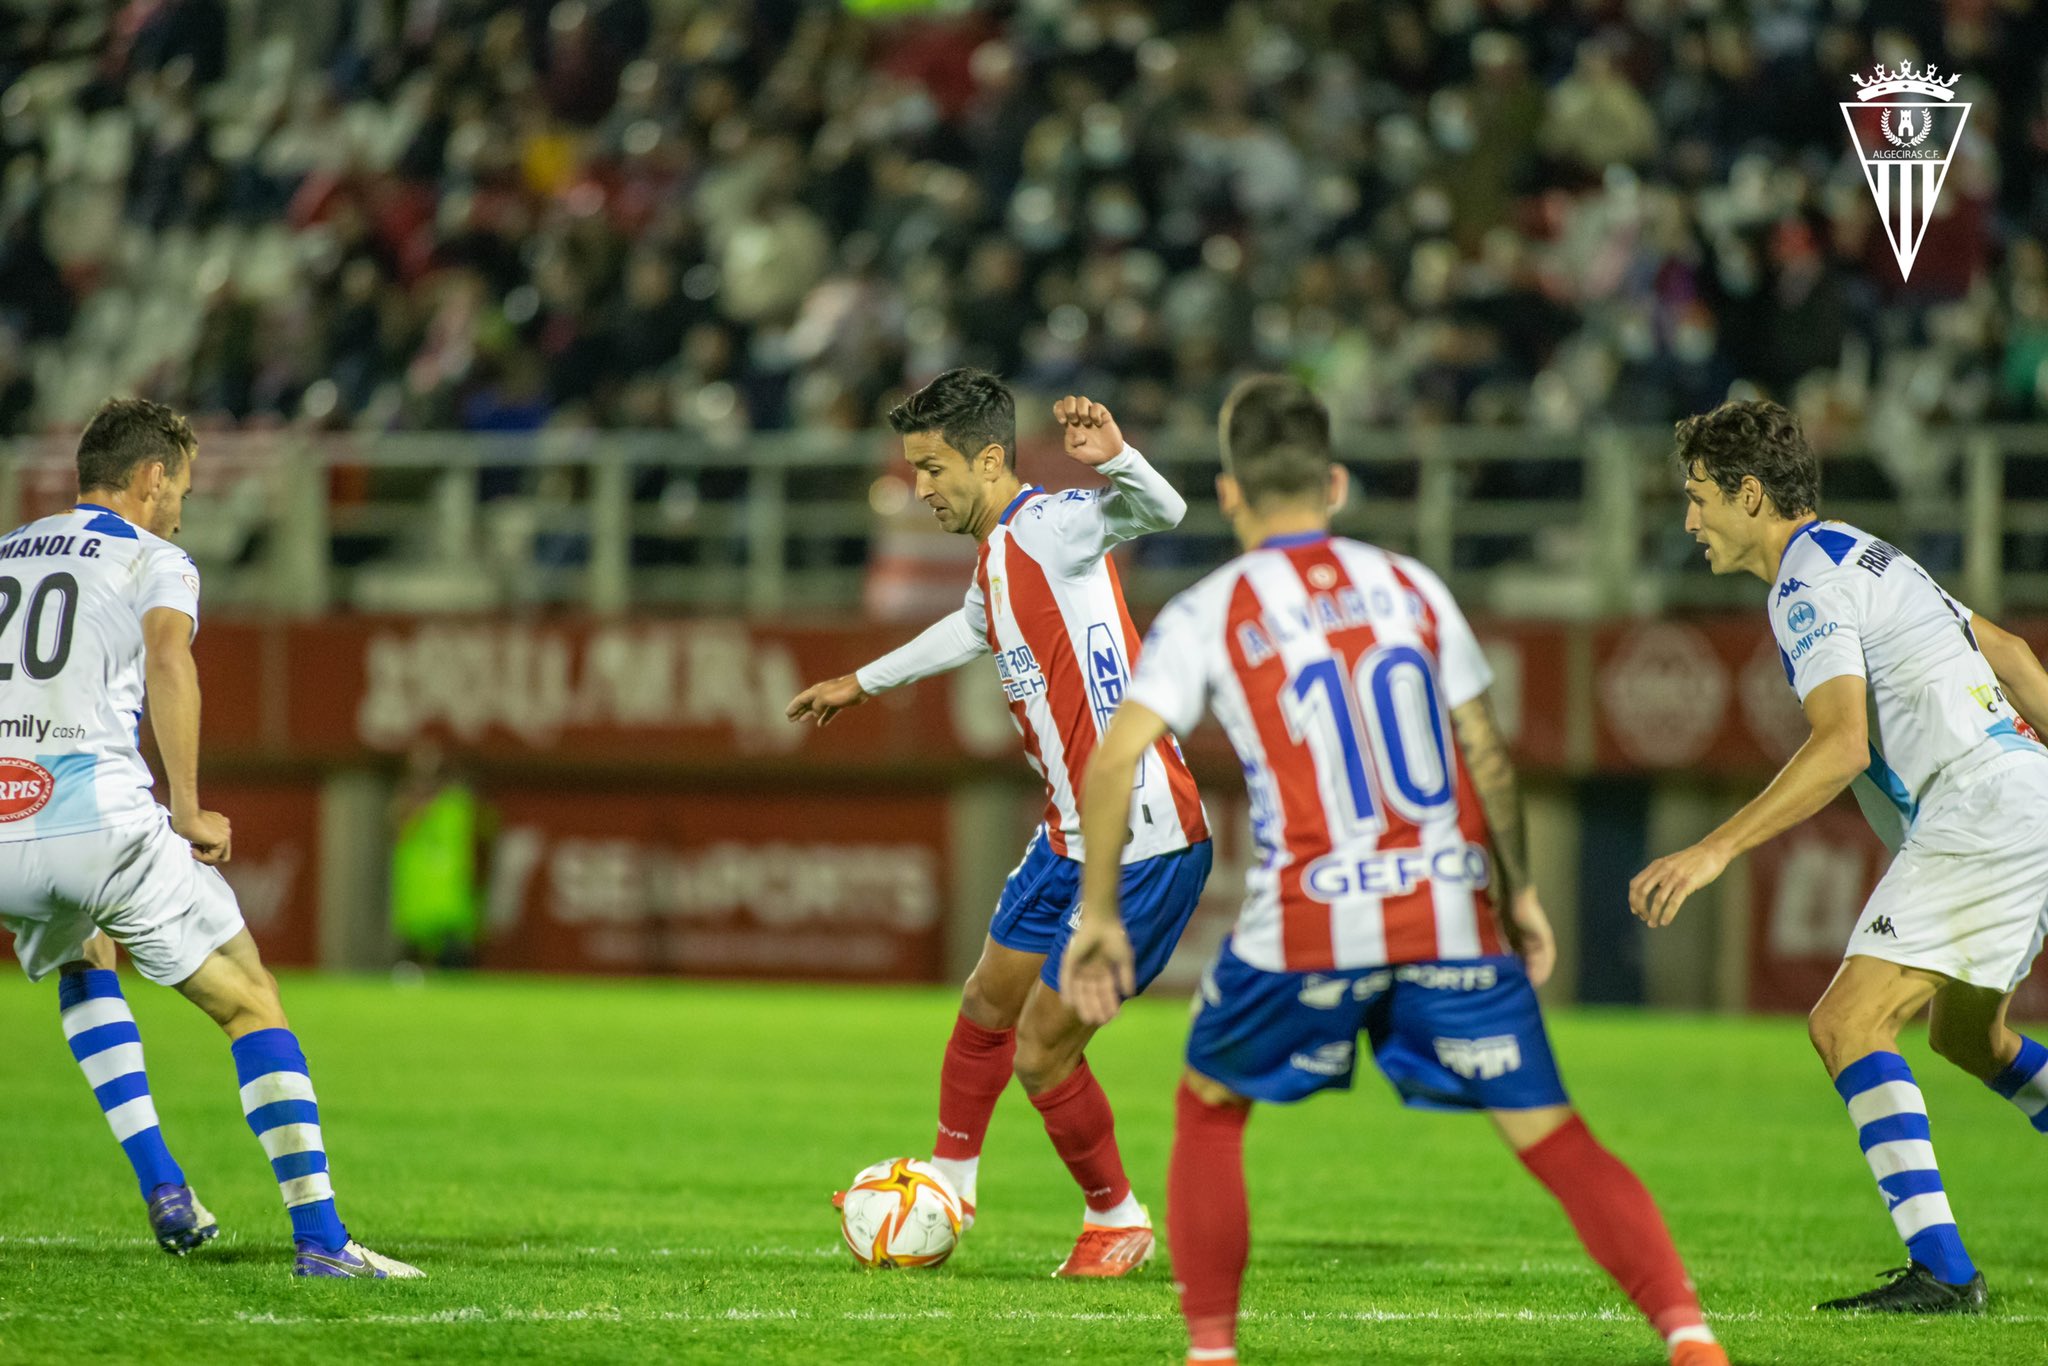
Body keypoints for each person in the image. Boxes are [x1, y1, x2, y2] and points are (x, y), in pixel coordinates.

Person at [1062, 375, 1724, 1366]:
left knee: (1210, 1107)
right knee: (1552, 1134)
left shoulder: (1209, 609)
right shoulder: (1412, 585)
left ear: (1230, 493)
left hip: (1307, 914)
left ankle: (1210, 1352)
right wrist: (1519, 891)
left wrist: (1099, 915)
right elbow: (1485, 751)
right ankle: (1689, 1334)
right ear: (1334, 483)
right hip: (1445, 906)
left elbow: (1115, 760)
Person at [787, 368, 1213, 1276]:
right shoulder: (998, 558)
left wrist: (1119, 459)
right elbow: (967, 628)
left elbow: (1165, 510)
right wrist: (861, 682)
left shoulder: (1051, 525)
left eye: (932, 468)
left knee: (1043, 1051)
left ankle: (1117, 1218)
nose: (920, 488)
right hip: (1069, 833)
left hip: (1142, 840)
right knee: (986, 1001)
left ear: (988, 461)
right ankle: (949, 1183)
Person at [1631, 398, 2048, 1313]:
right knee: (1967, 1038)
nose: (1690, 521)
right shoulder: (1864, 551)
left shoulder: (1804, 586)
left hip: (1978, 804)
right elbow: (2014, 656)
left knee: (1846, 1025)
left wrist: (1712, 851)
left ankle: (1945, 1273)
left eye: (1698, 497)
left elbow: (1842, 745)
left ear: (1749, 496)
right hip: (2022, 791)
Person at [0, 397, 421, 1279]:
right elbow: (168, 659)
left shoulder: (8, 550)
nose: (183, 512)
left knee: (85, 957)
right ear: (152, 479)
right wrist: (187, 807)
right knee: (250, 1000)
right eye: (183, 491)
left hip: (5, 832)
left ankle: (163, 1182)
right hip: (97, 818)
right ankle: (322, 1241)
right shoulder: (154, 558)